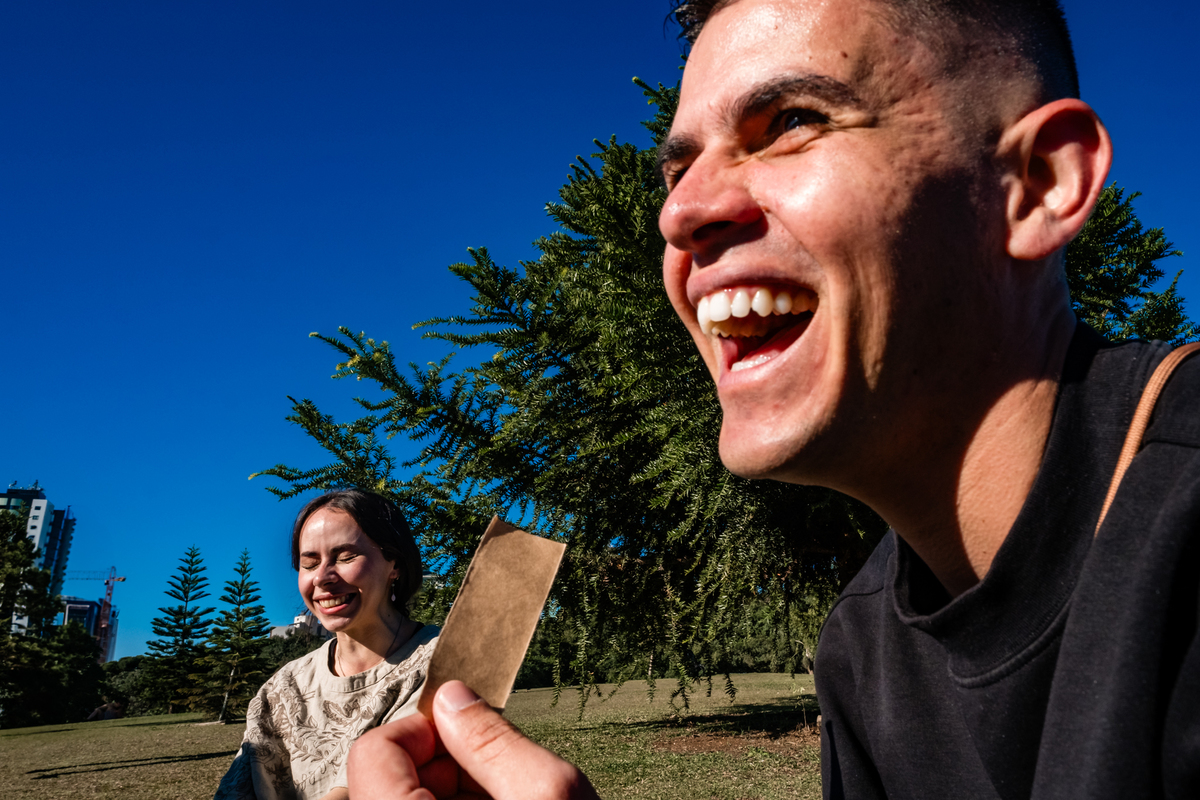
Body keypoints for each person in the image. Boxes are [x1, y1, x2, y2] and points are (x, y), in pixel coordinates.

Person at [346, 0, 1199, 797]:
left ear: (1040, 180)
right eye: (677, 171)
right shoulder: (866, 644)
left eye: (791, 123)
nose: (679, 213)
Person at [214, 489, 439, 800]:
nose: (322, 577)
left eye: (346, 557)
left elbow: (367, 783)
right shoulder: (283, 688)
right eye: (309, 564)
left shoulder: (441, 661)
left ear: (395, 565)